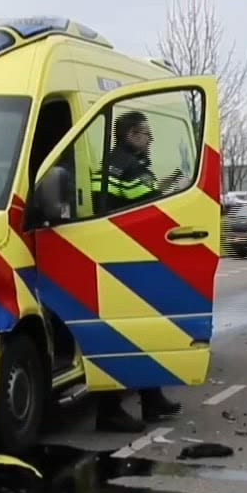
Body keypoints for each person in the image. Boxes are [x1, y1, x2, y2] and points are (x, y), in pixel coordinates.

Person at [94, 111, 189, 433]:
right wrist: (177, 193)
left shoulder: (115, 163)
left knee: (140, 335)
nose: (151, 138)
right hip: (127, 258)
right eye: (146, 133)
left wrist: (168, 183)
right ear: (131, 135)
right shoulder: (130, 167)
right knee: (121, 339)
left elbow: (133, 200)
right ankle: (109, 410)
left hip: (122, 255)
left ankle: (152, 399)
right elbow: (149, 208)